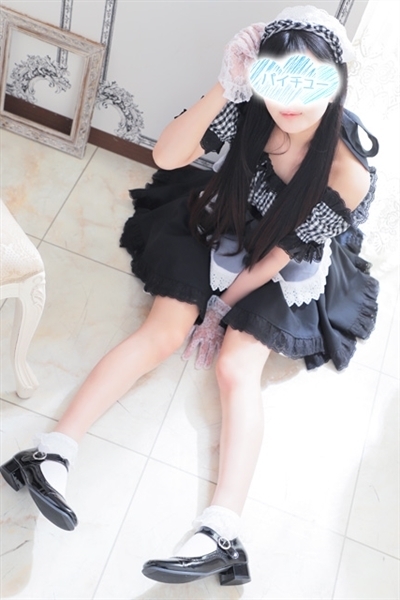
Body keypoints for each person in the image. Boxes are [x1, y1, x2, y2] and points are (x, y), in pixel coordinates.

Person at [1, 5, 379, 587]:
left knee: (236, 367)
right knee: (163, 332)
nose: (290, 99)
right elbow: (167, 156)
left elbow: (285, 252)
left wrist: (224, 307)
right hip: (224, 219)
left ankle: (222, 530)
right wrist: (226, 83)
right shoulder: (249, 107)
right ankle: (51, 452)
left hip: (284, 257)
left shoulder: (348, 169)